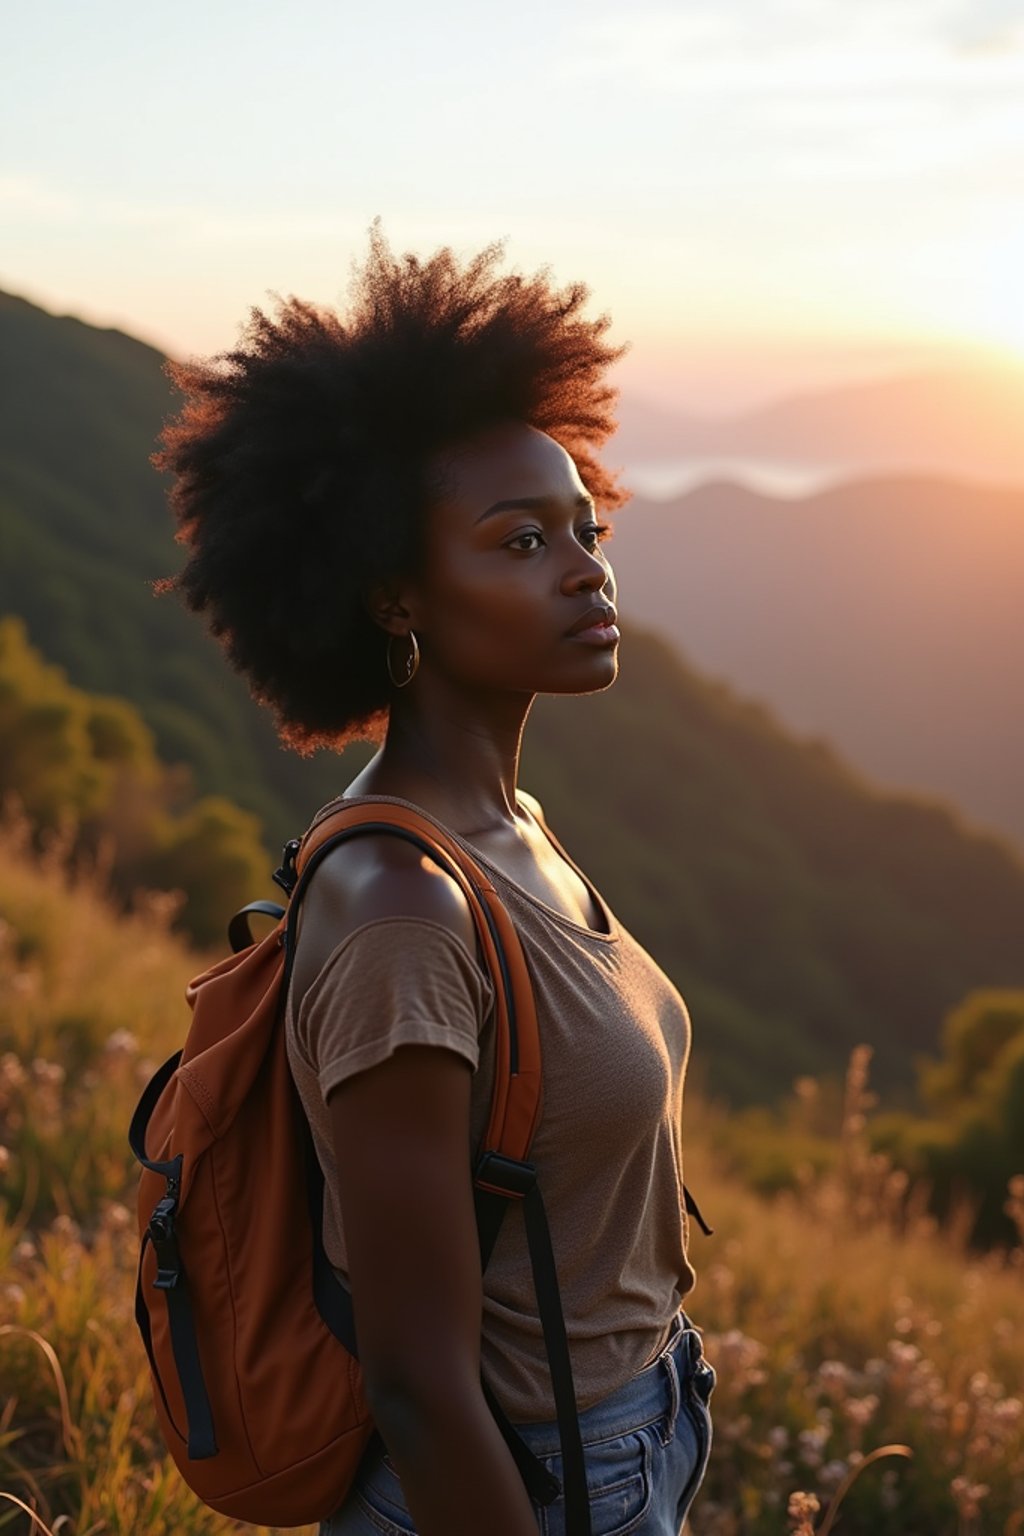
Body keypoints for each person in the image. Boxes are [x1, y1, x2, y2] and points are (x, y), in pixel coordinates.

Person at [155, 225, 716, 1536]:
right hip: (519, 1486)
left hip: (629, 1436)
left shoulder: (508, 823)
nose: (586, 566)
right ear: (399, 598)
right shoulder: (403, 910)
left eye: (585, 527)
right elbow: (415, 1382)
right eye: (520, 543)